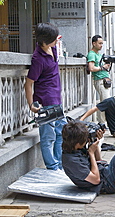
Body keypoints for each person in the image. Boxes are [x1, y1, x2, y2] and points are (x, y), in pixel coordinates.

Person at [24, 22, 67, 170]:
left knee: (61, 133)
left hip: (56, 100)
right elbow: (28, 83)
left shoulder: (52, 48)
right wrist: (32, 105)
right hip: (45, 102)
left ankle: (60, 165)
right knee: (48, 138)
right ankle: (52, 167)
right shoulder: (38, 59)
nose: (57, 41)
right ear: (44, 41)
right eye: (54, 39)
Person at [87, 35, 112, 123]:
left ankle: (103, 122)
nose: (101, 45)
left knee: (106, 101)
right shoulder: (92, 54)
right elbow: (91, 68)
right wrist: (102, 67)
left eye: (102, 43)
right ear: (94, 43)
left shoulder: (99, 54)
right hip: (100, 80)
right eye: (99, 43)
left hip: (105, 80)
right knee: (105, 102)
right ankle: (102, 122)